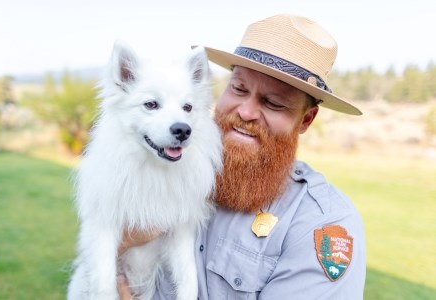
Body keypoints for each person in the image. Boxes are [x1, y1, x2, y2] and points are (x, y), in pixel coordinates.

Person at [117, 13, 366, 299]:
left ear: (306, 120)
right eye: (238, 89)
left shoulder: (321, 223)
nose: (246, 112)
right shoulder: (166, 165)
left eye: (273, 103)